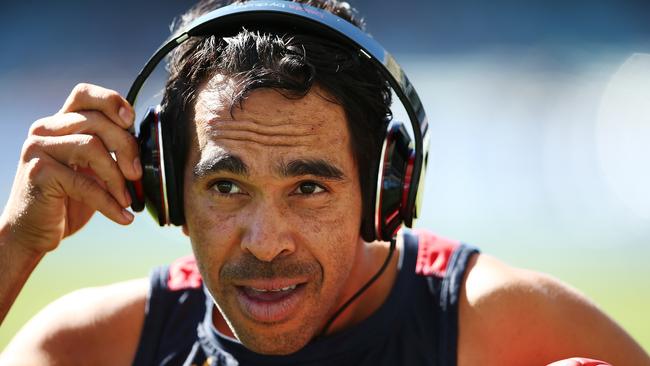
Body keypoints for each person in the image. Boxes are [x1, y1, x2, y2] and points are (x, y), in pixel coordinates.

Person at [0, 0, 648, 365]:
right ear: (167, 190)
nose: (265, 241)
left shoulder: (496, 324)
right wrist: (16, 244)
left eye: (309, 188)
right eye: (226, 187)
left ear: (383, 193)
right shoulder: (90, 349)